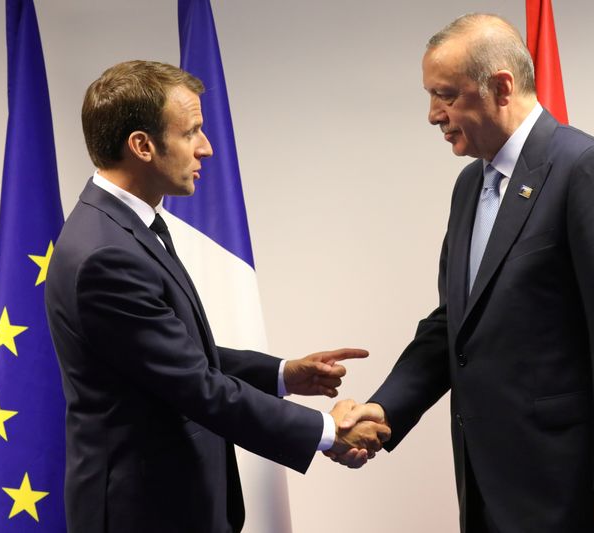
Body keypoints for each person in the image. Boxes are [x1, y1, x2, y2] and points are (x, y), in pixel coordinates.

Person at [330, 13, 594, 533]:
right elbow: (453, 326)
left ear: (501, 86)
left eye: (444, 94)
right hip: (488, 485)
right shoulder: (470, 186)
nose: (432, 114)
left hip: (574, 490)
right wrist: (383, 409)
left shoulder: (589, 170)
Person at [44, 60, 388, 533]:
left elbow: (171, 355)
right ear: (142, 146)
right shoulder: (105, 254)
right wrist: (328, 432)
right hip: (143, 514)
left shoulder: (121, 227)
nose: (205, 149)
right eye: (192, 132)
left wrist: (283, 375)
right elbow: (195, 387)